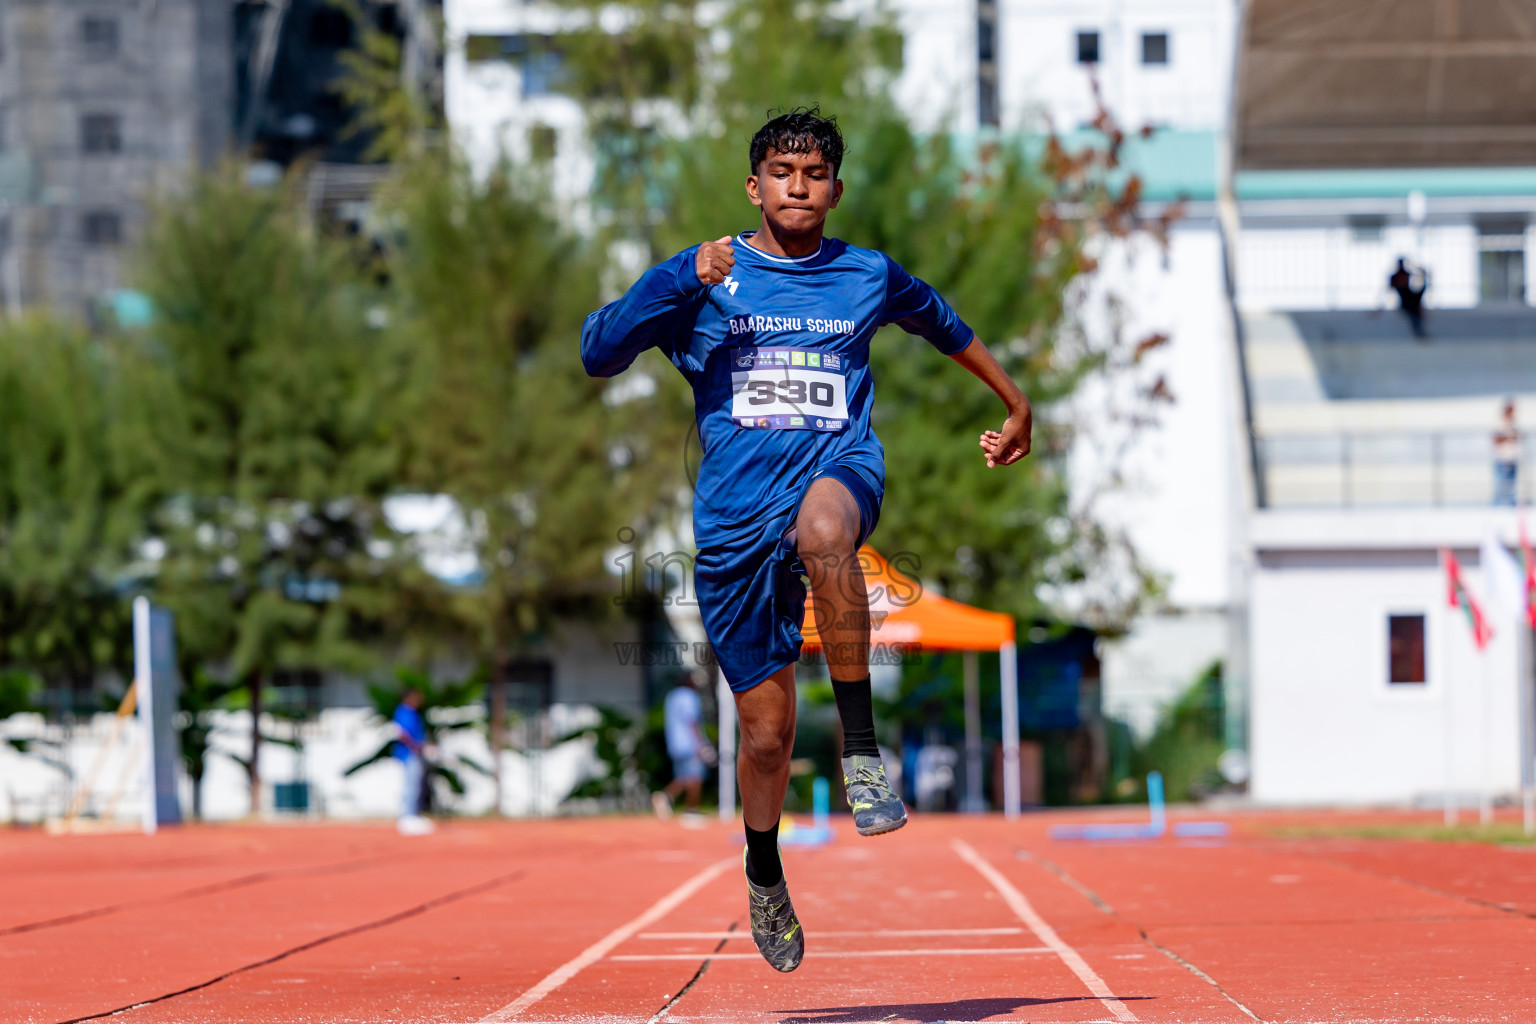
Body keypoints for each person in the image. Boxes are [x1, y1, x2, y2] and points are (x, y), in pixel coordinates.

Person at [580, 109, 1032, 973]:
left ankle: (862, 751)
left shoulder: (866, 275)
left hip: (838, 470)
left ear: (834, 188)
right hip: (733, 525)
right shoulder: (706, 280)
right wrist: (679, 273)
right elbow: (598, 352)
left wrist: (1015, 402)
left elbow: (944, 324)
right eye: (781, 171)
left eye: (815, 172)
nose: (798, 184)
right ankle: (762, 868)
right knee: (765, 734)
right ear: (755, 188)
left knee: (828, 531)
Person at [654, 673, 712, 822]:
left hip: (675, 743)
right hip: (689, 742)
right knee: (695, 777)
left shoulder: (671, 696)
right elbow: (691, 721)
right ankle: (691, 810)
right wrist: (701, 743)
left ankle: (664, 797)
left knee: (684, 777)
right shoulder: (689, 696)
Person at [392, 688, 433, 836]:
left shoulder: (414, 714)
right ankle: (406, 817)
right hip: (408, 754)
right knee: (410, 786)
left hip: (415, 754)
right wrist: (415, 747)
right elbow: (401, 733)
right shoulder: (403, 711)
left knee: (415, 785)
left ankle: (413, 815)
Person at [1388, 257, 1429, 338]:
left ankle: (1419, 331)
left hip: (1411, 299)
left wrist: (1413, 265)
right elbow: (1389, 291)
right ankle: (1419, 332)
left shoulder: (1407, 274)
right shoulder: (1396, 277)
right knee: (1413, 312)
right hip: (1406, 301)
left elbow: (1421, 275)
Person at [1494, 398, 1520, 506]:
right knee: (1500, 488)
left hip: (1512, 459)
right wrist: (1508, 437)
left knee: (1512, 489)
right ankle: (1497, 510)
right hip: (1501, 459)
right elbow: (1496, 439)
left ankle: (1510, 508)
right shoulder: (1500, 422)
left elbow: (1517, 437)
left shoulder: (1513, 423)